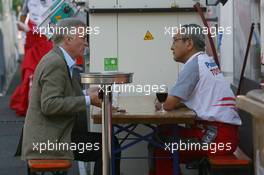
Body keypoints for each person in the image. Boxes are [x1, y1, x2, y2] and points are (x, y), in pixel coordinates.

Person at [21, 18, 120, 175]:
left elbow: (62, 96)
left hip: (55, 136)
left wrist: (88, 93)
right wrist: (88, 100)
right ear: (68, 39)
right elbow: (50, 105)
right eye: (83, 38)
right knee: (109, 145)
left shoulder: (58, 59)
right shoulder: (56, 63)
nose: (86, 43)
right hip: (51, 142)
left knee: (109, 143)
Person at [150, 24, 242, 174]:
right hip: (224, 135)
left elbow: (167, 104)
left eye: (175, 41)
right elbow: (180, 100)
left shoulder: (194, 66)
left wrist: (159, 101)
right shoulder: (205, 61)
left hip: (216, 138)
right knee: (162, 133)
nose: (171, 47)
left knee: (160, 142)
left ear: (189, 43)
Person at [10, 0, 54, 116]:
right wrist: (23, 29)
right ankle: (31, 106)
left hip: (47, 37)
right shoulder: (27, 0)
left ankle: (46, 103)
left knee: (48, 70)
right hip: (32, 39)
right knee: (30, 71)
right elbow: (23, 15)